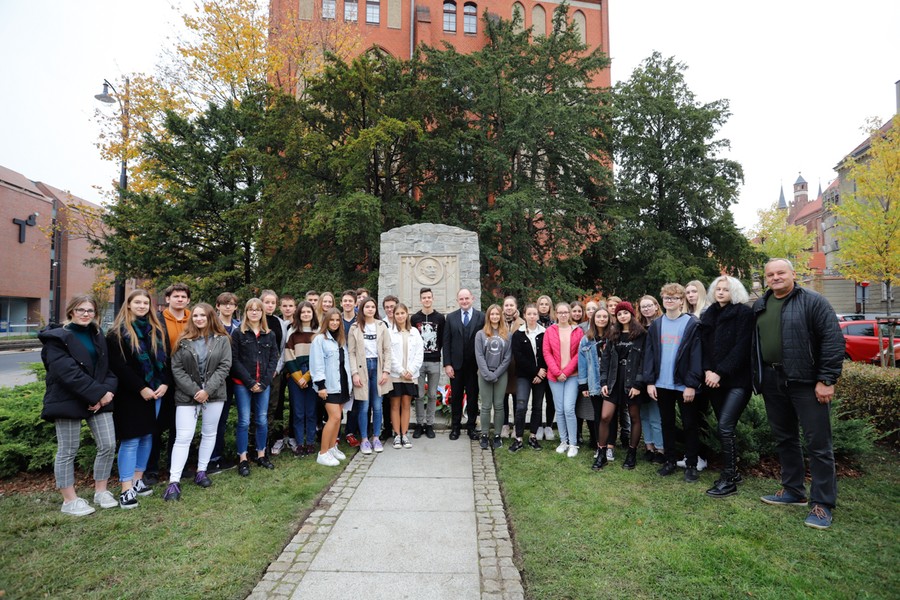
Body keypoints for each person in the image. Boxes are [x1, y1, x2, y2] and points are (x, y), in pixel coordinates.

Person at [753, 258, 844, 529]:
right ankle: (793, 490)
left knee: (819, 444)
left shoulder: (813, 301)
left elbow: (832, 340)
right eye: (770, 274)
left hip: (806, 382)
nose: (775, 277)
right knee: (785, 438)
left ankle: (822, 504)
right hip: (773, 380)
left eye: (781, 272)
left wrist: (826, 379)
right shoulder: (761, 305)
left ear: (793, 274)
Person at [40, 295, 118, 516]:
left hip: (99, 399)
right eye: (81, 310)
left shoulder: (97, 335)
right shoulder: (56, 338)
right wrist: (96, 395)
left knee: (108, 445)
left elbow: (107, 369)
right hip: (68, 399)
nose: (86, 314)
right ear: (71, 311)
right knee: (68, 450)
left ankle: (101, 491)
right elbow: (67, 373)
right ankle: (69, 500)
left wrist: (106, 394)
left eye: (90, 310)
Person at [107, 290, 169, 509]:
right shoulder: (117, 333)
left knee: (147, 437)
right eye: (138, 302)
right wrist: (141, 388)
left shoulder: (156, 330)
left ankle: (137, 480)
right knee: (131, 439)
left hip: (156, 392)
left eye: (145, 302)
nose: (142, 306)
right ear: (129, 305)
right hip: (131, 395)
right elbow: (119, 366)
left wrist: (164, 383)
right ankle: (126, 489)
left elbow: (164, 361)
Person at [164, 303, 233, 501]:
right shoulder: (183, 340)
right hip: (187, 396)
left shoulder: (222, 340)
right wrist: (196, 391)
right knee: (183, 437)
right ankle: (174, 481)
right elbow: (176, 368)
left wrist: (207, 390)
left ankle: (201, 471)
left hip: (214, 393)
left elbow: (224, 366)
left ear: (210, 317)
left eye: (203, 315)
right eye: (195, 316)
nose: (199, 319)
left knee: (209, 433)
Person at [644, 283, 703, 483]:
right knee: (666, 423)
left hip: (684, 384)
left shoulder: (691, 324)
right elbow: (649, 354)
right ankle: (669, 461)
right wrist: (650, 382)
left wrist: (691, 384)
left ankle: (691, 464)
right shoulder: (656, 325)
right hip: (662, 384)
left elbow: (696, 355)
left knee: (689, 424)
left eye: (674, 298)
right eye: (666, 297)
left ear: (681, 301)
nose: (670, 301)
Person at [701, 276, 753, 498]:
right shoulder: (709, 314)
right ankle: (734, 472)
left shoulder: (744, 313)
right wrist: (707, 370)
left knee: (725, 426)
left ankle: (729, 478)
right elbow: (703, 346)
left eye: (726, 289)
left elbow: (742, 348)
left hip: (737, 380)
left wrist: (719, 372)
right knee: (724, 428)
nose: (721, 292)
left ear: (735, 292)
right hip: (713, 380)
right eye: (718, 289)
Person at [146, 283, 191, 485]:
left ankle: (177, 467)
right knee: (155, 427)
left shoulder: (194, 319)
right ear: (167, 299)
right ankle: (151, 470)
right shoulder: (156, 319)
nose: (179, 299)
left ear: (188, 300)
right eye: (176, 296)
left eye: (183, 296)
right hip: (163, 380)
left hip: (186, 381)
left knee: (180, 427)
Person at [595, 302, 646, 471]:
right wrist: (603, 382)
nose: (622, 316)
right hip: (614, 380)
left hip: (632, 381)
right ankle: (601, 453)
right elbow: (606, 360)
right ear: (616, 317)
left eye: (625, 312)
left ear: (631, 314)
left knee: (634, 417)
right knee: (605, 416)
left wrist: (638, 384)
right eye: (619, 314)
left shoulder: (641, 335)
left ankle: (631, 454)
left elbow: (643, 362)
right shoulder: (612, 334)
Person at [231, 298, 280, 476]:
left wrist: (264, 383)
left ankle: (261, 455)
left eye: (257, 309)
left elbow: (273, 359)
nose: (254, 312)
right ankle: (243, 458)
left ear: (262, 313)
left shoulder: (269, 334)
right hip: (243, 384)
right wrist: (250, 382)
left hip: (263, 384)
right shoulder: (238, 333)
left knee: (262, 419)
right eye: (250, 309)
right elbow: (234, 360)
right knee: (244, 421)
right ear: (246, 312)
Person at [348, 297, 393, 454]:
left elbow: (387, 350)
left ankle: (376, 437)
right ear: (362, 309)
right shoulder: (355, 327)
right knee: (364, 406)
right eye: (367, 306)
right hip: (362, 368)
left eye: (373, 307)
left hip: (378, 368)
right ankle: (364, 440)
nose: (370, 309)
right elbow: (351, 352)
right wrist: (354, 373)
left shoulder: (381, 325)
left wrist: (386, 371)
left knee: (377, 405)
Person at [310, 309, 353, 467]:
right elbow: (317, 364)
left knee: (338, 417)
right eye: (331, 320)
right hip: (329, 385)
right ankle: (323, 453)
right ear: (326, 322)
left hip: (342, 384)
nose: (334, 323)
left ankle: (332, 447)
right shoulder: (320, 339)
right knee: (333, 417)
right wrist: (321, 385)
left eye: (337, 320)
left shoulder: (341, 340)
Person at [443, 288, 485, 440]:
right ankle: (455, 427)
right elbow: (446, 342)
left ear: (472, 299)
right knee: (456, 398)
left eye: (467, 298)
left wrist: (483, 366)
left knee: (473, 398)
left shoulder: (481, 317)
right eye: (461, 299)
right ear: (457, 301)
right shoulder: (451, 318)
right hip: (456, 366)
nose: (464, 301)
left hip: (474, 366)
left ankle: (471, 427)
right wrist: (447, 364)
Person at [543, 302, 584, 457]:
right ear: (556, 314)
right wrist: (556, 372)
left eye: (566, 312)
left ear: (569, 313)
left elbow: (579, 354)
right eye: (560, 312)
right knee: (559, 409)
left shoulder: (577, 331)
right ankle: (563, 441)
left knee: (568, 409)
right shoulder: (550, 331)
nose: (563, 315)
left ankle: (573, 444)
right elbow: (546, 352)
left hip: (572, 376)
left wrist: (565, 372)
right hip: (555, 376)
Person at [209, 292, 240, 473]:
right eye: (224, 303)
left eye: (231, 304)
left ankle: (218, 455)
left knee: (223, 419)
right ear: (218, 306)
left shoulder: (239, 326)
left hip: (233, 379)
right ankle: (211, 458)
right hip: (215, 378)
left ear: (235, 307)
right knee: (213, 420)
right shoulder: (211, 325)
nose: (228, 307)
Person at [475, 304, 513, 450]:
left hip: (500, 375)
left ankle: (497, 435)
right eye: (492, 314)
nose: (495, 316)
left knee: (498, 405)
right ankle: (484, 434)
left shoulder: (507, 335)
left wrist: (496, 374)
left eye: (497, 314)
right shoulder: (481, 334)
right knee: (485, 406)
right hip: (484, 374)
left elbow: (508, 357)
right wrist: (487, 373)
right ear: (488, 316)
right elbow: (479, 355)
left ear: (501, 316)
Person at [510, 304, 547, 452]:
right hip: (524, 375)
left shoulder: (544, 333)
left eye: (534, 314)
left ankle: (533, 436)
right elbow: (519, 357)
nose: (532, 316)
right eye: (529, 314)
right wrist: (536, 372)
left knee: (537, 406)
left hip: (541, 376)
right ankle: (518, 438)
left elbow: (547, 353)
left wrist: (542, 372)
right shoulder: (518, 334)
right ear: (524, 315)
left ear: (538, 316)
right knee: (521, 406)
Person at [284, 301, 319, 457]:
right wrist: (299, 377)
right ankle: (299, 444)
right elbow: (288, 355)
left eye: (308, 312)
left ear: (313, 314)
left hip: (313, 374)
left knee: (311, 411)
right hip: (295, 375)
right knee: (298, 412)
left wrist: (307, 376)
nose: (306, 314)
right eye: (303, 312)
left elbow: (319, 356)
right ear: (298, 314)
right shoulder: (292, 331)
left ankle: (310, 442)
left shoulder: (318, 332)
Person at [410, 287, 444, 439]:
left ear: (433, 298)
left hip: (434, 361)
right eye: (424, 297)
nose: (427, 300)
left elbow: (442, 339)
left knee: (432, 394)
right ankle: (419, 424)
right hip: (418, 362)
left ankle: (429, 424)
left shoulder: (440, 318)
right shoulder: (414, 318)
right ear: (420, 299)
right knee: (418, 395)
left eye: (429, 297)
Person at [388, 304, 424, 449]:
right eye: (397, 313)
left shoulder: (414, 332)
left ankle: (404, 434)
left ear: (407, 314)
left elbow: (419, 353)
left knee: (406, 404)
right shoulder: (389, 332)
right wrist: (401, 371)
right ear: (394, 315)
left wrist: (411, 370)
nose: (400, 316)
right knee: (395, 405)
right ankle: (397, 435)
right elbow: (389, 354)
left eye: (402, 313)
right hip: (396, 374)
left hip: (410, 375)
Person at [577, 306, 610, 463]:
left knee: (609, 416)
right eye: (598, 317)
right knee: (598, 415)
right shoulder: (586, 339)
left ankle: (610, 446)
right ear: (593, 319)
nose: (601, 319)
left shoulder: (613, 337)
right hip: (594, 382)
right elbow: (582, 363)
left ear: (609, 319)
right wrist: (583, 385)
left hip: (611, 382)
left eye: (604, 317)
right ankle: (599, 445)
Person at [637, 295, 665, 464]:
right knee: (644, 415)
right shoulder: (638, 328)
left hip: (656, 375)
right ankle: (649, 447)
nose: (646, 309)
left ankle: (660, 449)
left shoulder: (663, 324)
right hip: (640, 376)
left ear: (656, 306)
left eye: (649, 305)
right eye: (643, 307)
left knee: (655, 416)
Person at [260, 290, 287, 456]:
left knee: (272, 406)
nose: (270, 305)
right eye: (267, 302)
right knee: (257, 409)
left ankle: (269, 441)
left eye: (273, 303)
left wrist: (277, 369)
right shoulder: (254, 320)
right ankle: (256, 444)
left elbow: (282, 348)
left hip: (275, 372)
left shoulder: (279, 323)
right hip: (256, 372)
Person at [339, 290, 361, 447]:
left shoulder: (360, 320)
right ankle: (336, 433)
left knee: (355, 400)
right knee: (338, 399)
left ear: (355, 303)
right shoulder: (336, 319)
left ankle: (350, 432)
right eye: (345, 301)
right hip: (339, 364)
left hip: (356, 363)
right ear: (341, 303)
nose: (347, 303)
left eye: (350, 301)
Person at [500, 296, 524, 438]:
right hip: (502, 366)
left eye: (511, 305)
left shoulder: (522, 323)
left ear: (516, 307)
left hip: (517, 365)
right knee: (502, 397)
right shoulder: (498, 321)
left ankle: (516, 426)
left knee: (516, 397)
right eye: (506, 305)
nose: (509, 308)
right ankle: (504, 425)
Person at [534, 294, 556, 440]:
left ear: (550, 306)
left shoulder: (555, 323)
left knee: (550, 399)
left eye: (546, 304)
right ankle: (537, 426)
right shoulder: (533, 322)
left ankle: (548, 425)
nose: (543, 306)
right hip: (538, 367)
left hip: (552, 366)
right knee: (538, 399)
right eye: (541, 304)